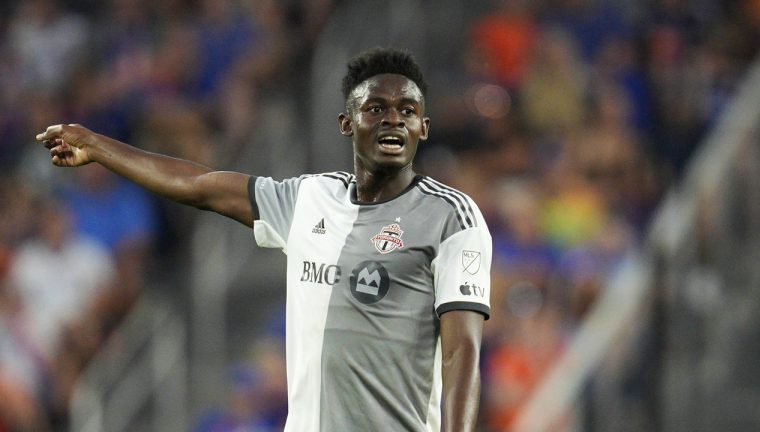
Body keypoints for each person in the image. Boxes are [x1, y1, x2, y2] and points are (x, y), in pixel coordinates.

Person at [36, 47, 492, 432]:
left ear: (423, 128)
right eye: (376, 108)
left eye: (407, 111)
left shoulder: (451, 218)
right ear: (347, 123)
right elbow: (202, 186)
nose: (393, 119)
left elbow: (461, 350)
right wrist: (98, 147)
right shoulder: (309, 198)